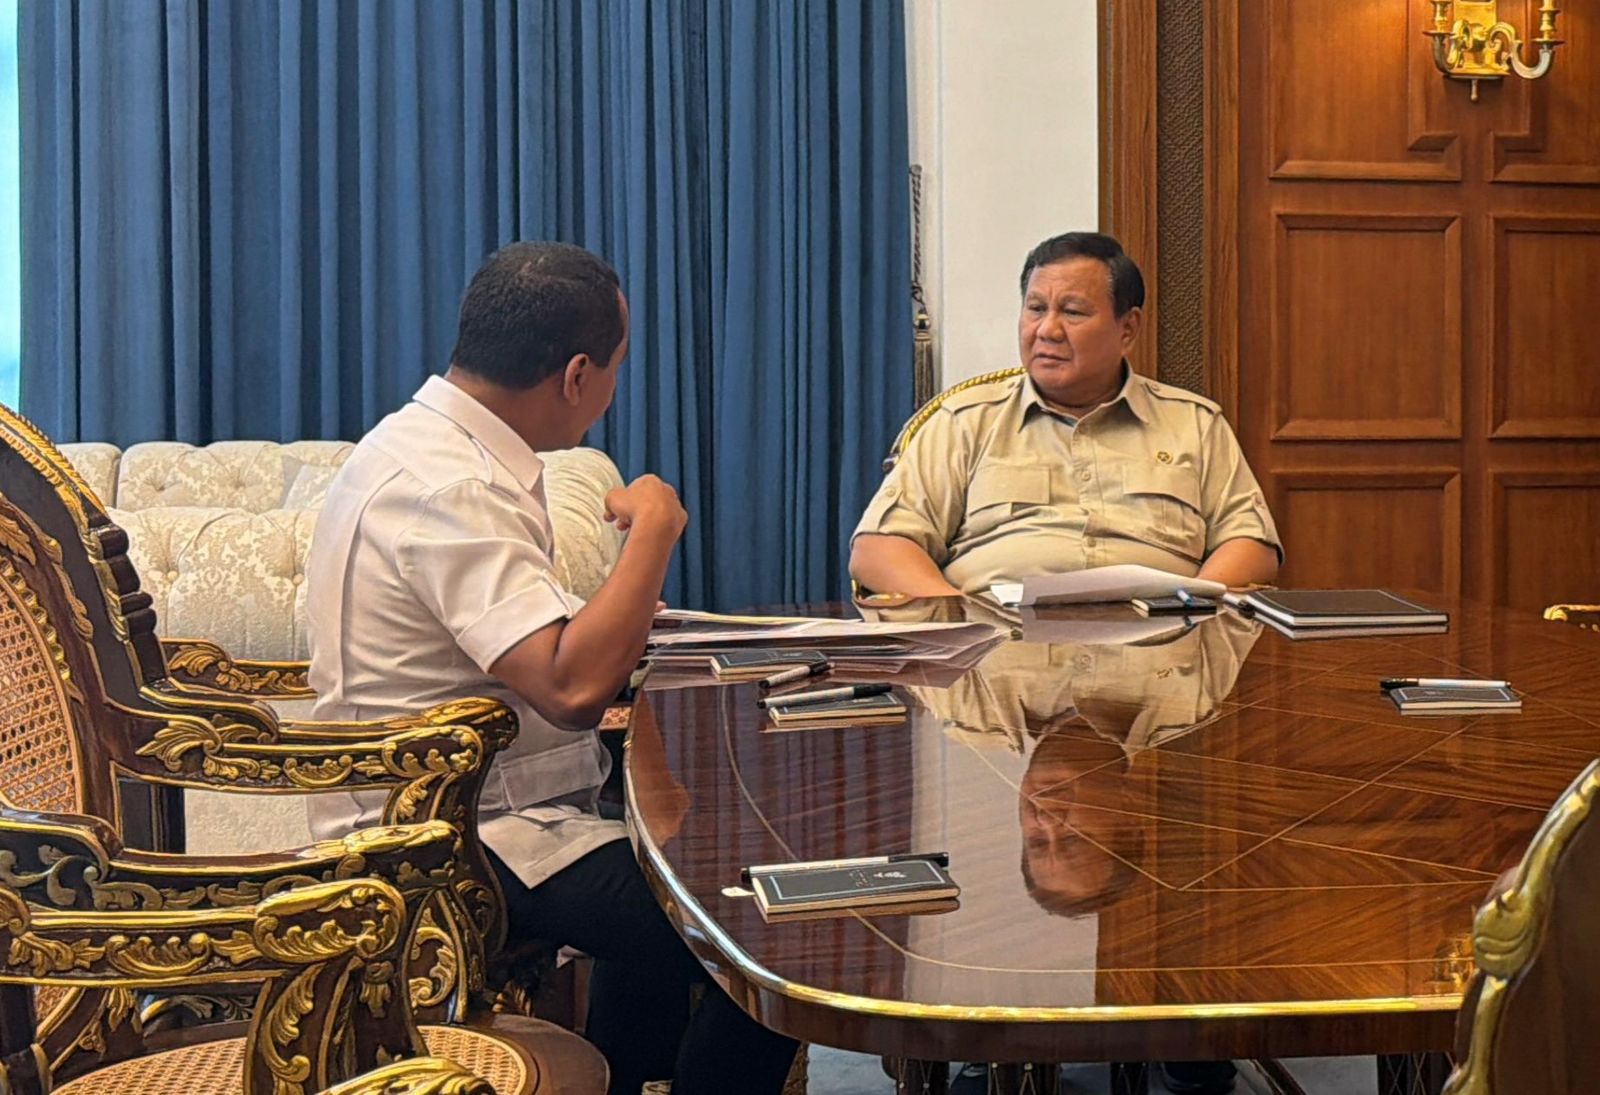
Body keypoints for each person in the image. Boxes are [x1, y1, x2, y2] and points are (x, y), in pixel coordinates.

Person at [302, 242, 797, 1095]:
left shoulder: (434, 446)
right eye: (615, 368)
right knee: (761, 933)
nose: (611, 390)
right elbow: (569, 687)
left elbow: (524, 638)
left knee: (683, 867)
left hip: (490, 807)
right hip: (447, 835)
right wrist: (655, 528)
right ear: (575, 375)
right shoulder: (446, 484)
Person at [850, 231, 1281, 599]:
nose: (1047, 330)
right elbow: (879, 548)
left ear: (1127, 329)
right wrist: (962, 622)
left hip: (1160, 646)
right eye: (1036, 308)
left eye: (1072, 312)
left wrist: (1191, 608)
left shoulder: (1194, 424)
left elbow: (1251, 543)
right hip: (999, 648)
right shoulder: (965, 421)